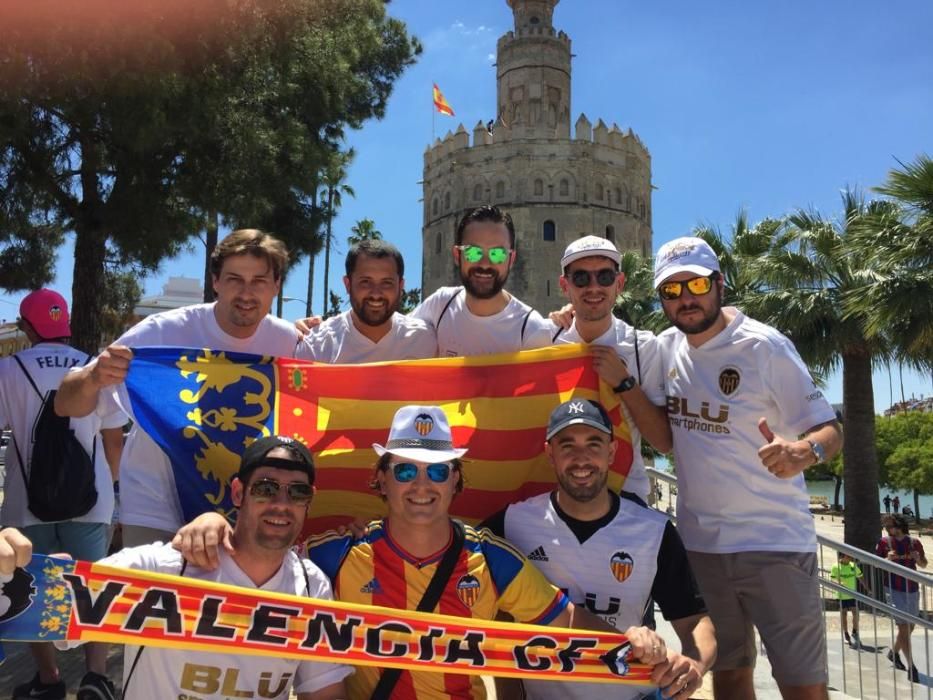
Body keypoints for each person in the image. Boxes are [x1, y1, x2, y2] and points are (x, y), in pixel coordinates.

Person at [176, 405, 669, 699]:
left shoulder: (493, 559)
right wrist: (214, 521)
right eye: (406, 471)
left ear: (456, 480)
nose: (421, 486)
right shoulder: (333, 556)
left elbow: (567, 621)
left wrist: (640, 647)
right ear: (381, 480)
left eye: (436, 471)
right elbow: (259, 556)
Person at [0, 437, 350, 699]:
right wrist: (13, 569)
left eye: (298, 492)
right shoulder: (162, 568)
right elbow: (41, 607)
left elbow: (323, 691)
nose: (281, 503)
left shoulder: (310, 583)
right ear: (239, 492)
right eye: (266, 488)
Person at [653, 237, 843, 700]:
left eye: (696, 284)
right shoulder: (664, 349)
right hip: (702, 547)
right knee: (730, 675)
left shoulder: (764, 346)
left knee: (802, 684)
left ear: (719, 283)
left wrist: (805, 452)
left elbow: (830, 430)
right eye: (671, 291)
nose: (686, 299)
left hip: (774, 543)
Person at [55, 230, 301, 546]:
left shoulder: (291, 343)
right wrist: (93, 378)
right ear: (216, 281)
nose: (246, 292)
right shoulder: (161, 332)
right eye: (234, 279)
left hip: (245, 519)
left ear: (276, 286)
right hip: (155, 512)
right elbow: (65, 405)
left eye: (259, 281)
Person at [481, 398, 716, 700]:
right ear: (549, 454)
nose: (582, 458)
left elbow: (695, 620)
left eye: (594, 444)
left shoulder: (654, 531)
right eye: (567, 445)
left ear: (611, 452)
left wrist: (694, 664)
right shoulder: (511, 523)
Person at [0, 289, 125, 700]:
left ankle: (49, 679)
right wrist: (115, 493)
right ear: (64, 322)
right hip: (92, 502)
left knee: (32, 589)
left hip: (27, 504)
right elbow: (113, 440)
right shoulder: (95, 368)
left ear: (26, 327)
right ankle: (96, 677)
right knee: (92, 588)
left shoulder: (8, 370)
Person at [549, 236, 672, 501]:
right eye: (581, 278)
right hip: (558, 498)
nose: (593, 287)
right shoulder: (545, 342)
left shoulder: (643, 347)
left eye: (604, 277)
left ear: (619, 283)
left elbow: (662, 441)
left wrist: (624, 383)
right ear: (564, 286)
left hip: (626, 496)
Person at [411, 205, 553, 356]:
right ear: (457, 255)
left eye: (497, 254)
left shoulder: (531, 330)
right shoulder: (440, 306)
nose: (485, 264)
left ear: (511, 259)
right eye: (473, 252)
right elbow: (397, 339)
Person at [296, 239, 436, 362]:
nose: (376, 293)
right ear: (348, 285)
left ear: (400, 286)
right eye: (365, 282)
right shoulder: (316, 346)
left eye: (387, 282)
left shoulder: (426, 341)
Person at [876, 514, 927, 682]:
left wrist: (918, 559)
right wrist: (886, 559)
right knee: (903, 628)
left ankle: (894, 653)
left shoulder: (914, 543)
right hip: (893, 588)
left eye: (890, 525)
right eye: (887, 526)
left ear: (899, 526)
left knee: (910, 627)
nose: (888, 529)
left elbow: (924, 564)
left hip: (912, 588)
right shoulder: (884, 543)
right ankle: (912, 666)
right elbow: (876, 563)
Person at [829, 552, 862, 648]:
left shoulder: (853, 565)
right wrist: (839, 582)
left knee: (856, 613)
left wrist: (868, 589)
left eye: (850, 556)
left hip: (852, 594)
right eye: (848, 556)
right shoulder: (835, 567)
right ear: (842, 557)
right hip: (841, 595)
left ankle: (855, 631)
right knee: (844, 615)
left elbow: (860, 576)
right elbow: (832, 579)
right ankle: (846, 633)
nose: (850, 558)